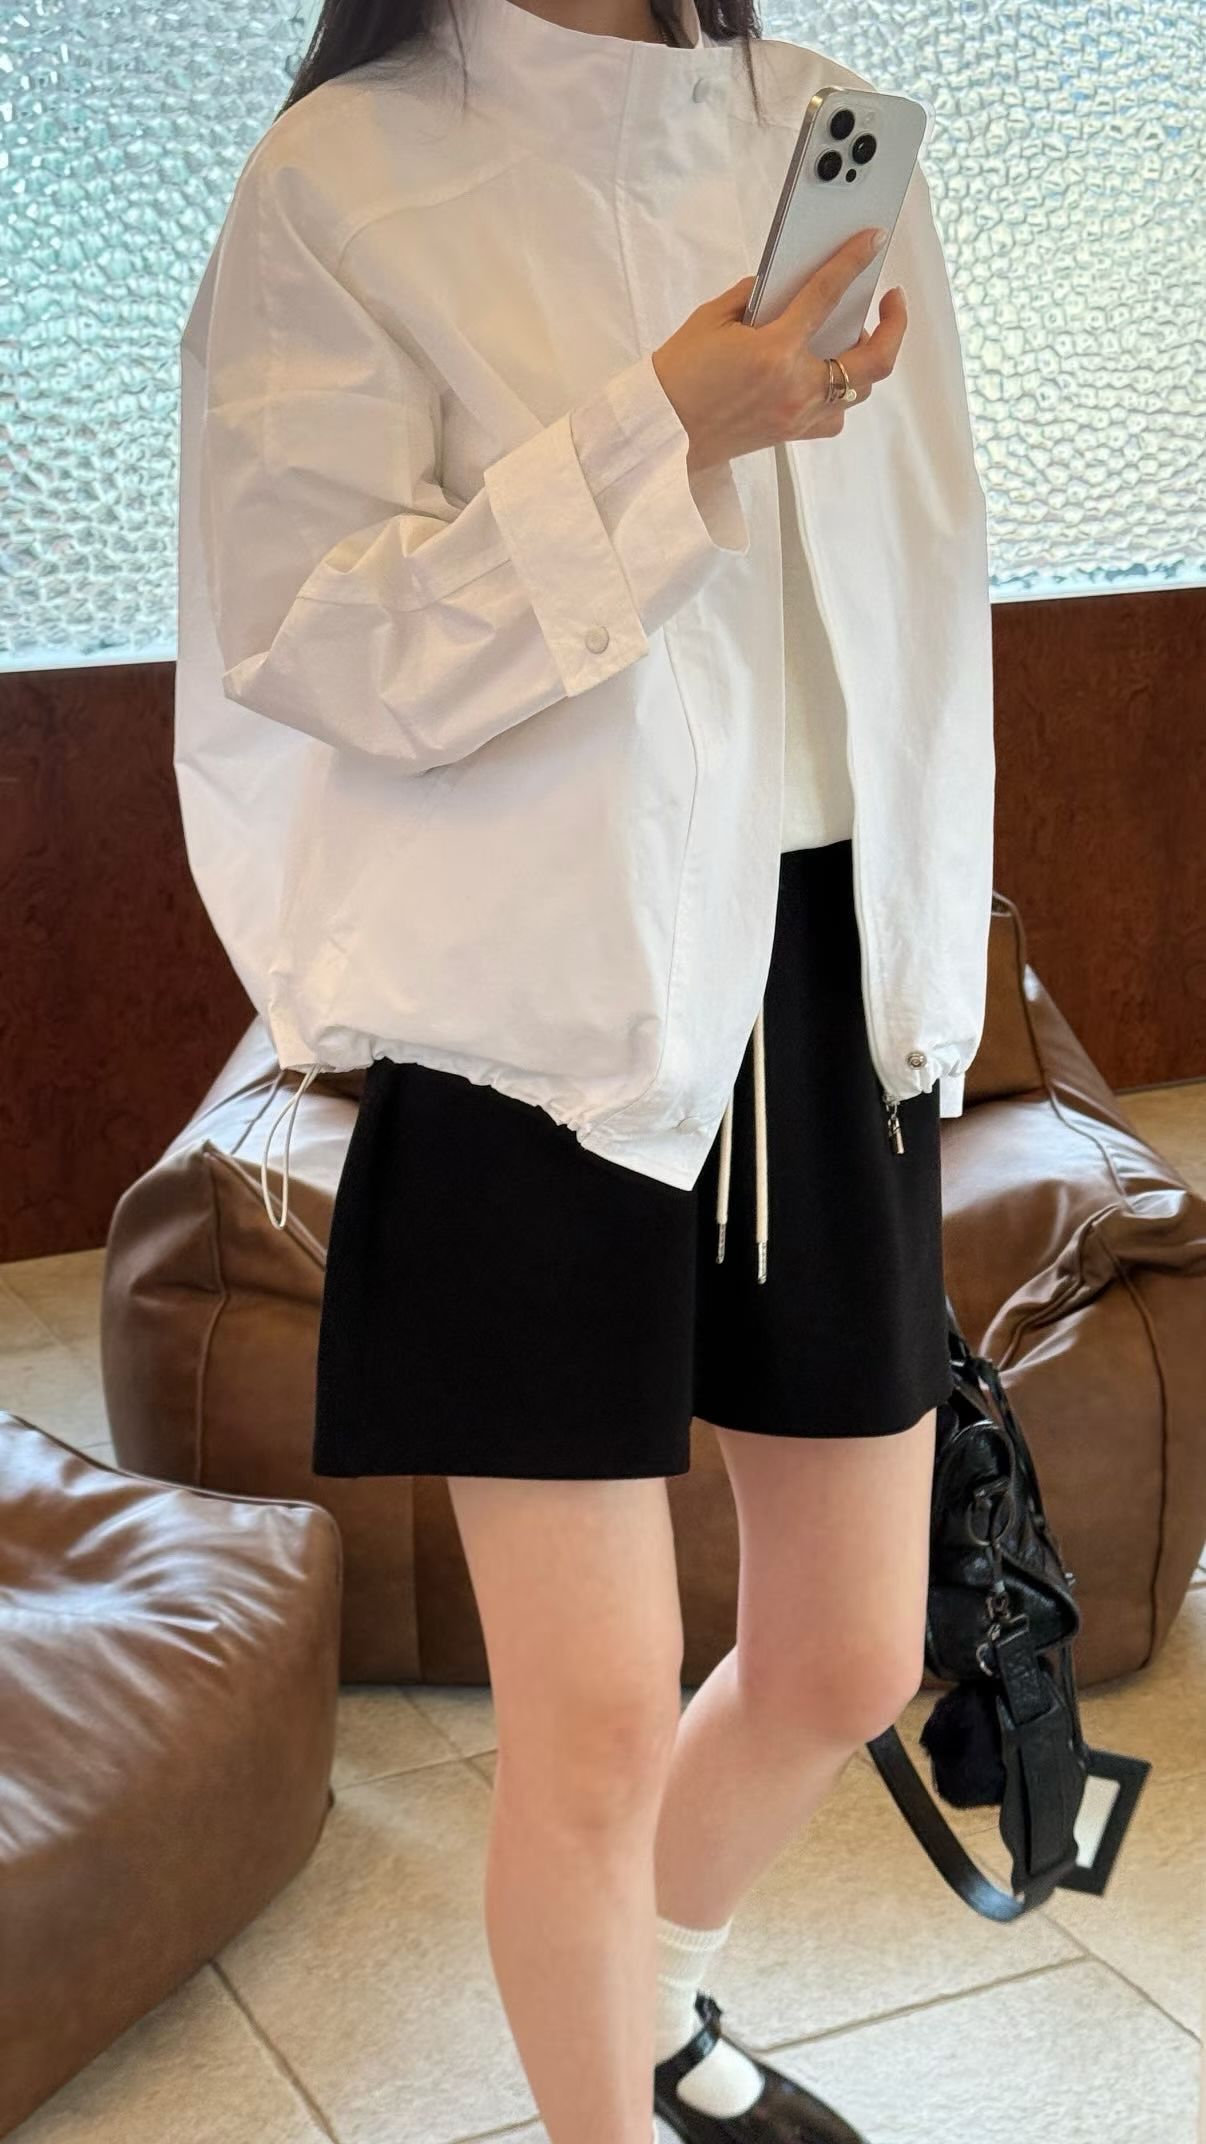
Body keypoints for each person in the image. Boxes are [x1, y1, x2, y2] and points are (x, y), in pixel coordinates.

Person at [174, 0, 996, 2138]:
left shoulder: (824, 130)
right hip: (526, 1011)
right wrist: (661, 431)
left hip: (824, 978)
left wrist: (924, 971)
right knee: (600, 1720)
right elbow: (313, 640)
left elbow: (923, 586)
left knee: (846, 1654)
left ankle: (661, 2002)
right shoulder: (341, 179)